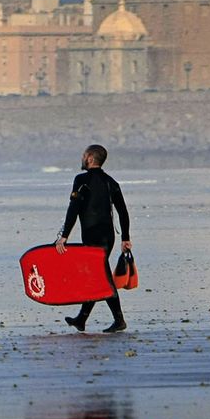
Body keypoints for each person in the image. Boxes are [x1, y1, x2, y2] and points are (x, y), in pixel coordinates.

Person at [54, 143, 131, 333]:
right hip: (108, 237)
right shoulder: (111, 182)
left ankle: (119, 320)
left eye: (83, 155)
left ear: (89, 158)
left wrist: (63, 236)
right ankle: (81, 319)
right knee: (95, 275)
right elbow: (123, 212)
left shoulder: (82, 180)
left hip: (92, 236)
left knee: (101, 277)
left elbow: (74, 208)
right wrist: (125, 238)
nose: (82, 158)